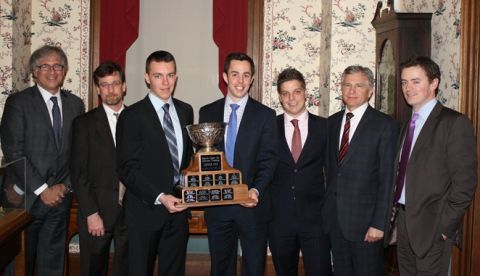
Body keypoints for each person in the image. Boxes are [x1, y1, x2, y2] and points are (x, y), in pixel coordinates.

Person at [0, 45, 85, 276]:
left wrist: (64, 186)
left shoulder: (75, 104)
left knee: (53, 262)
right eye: (44, 66)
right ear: (34, 71)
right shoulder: (18, 103)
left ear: (64, 70)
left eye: (57, 65)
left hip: (60, 198)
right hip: (24, 198)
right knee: (19, 264)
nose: (52, 70)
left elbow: (80, 152)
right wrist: (42, 189)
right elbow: (13, 152)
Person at [390, 56, 477, 275]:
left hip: (432, 229)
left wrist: (444, 228)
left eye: (416, 81)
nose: (408, 88)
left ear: (434, 83)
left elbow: (465, 184)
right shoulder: (407, 124)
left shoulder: (454, 123)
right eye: (404, 82)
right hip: (404, 224)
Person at [199, 52, 277, 276]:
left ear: (252, 79)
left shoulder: (265, 115)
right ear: (224, 77)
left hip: (252, 206)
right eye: (235, 74)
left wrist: (255, 190)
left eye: (245, 75)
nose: (240, 81)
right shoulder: (207, 112)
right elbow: (203, 159)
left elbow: (268, 159)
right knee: (221, 267)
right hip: (218, 206)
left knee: (253, 267)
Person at [116, 50, 193, 276]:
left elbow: (186, 160)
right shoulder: (132, 116)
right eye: (158, 76)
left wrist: (191, 187)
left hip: (179, 212)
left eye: (170, 75)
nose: (165, 82)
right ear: (147, 77)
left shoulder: (185, 111)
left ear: (176, 77)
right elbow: (126, 168)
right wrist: (160, 196)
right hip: (144, 212)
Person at [322, 65, 398, 275]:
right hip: (335, 221)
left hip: (366, 225)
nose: (352, 91)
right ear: (341, 88)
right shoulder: (331, 123)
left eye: (358, 85)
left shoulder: (385, 125)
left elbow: (387, 179)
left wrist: (379, 224)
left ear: (370, 90)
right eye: (347, 85)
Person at [268, 68, 332, 276]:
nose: (291, 98)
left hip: (316, 219)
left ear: (305, 93)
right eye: (285, 93)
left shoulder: (325, 127)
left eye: (296, 91)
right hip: (279, 218)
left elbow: (333, 172)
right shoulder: (269, 127)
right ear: (279, 97)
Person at [71, 61, 128, 276]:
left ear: (124, 86)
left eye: (115, 83)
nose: (110, 89)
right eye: (104, 85)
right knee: (93, 269)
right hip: (98, 211)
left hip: (132, 213)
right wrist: (91, 213)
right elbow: (78, 172)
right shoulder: (83, 124)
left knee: (129, 268)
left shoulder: (138, 119)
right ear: (98, 89)